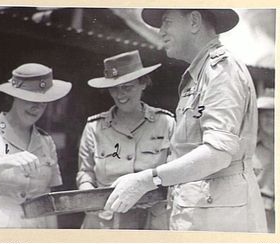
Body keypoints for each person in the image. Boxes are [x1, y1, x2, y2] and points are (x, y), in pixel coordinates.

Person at [105, 9, 267, 232]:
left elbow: (217, 154)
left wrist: (146, 180)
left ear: (193, 21)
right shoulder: (198, 75)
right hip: (200, 211)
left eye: (166, 22)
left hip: (221, 221)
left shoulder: (221, 70)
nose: (160, 31)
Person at [0, 63, 72, 228]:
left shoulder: (46, 142)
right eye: (30, 99)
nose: (37, 107)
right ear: (13, 96)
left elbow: (48, 201)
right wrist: (1, 164)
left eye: (43, 102)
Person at [77, 50, 175, 229]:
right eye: (114, 88)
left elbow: (176, 171)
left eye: (127, 87)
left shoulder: (166, 123)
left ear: (143, 83)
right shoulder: (94, 127)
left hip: (152, 224)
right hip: (105, 224)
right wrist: (86, 189)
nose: (120, 94)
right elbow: (86, 172)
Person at [253, 88, 275, 233]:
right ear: (258, 117)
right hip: (257, 211)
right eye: (266, 115)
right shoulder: (249, 148)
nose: (271, 120)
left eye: (275, 115)